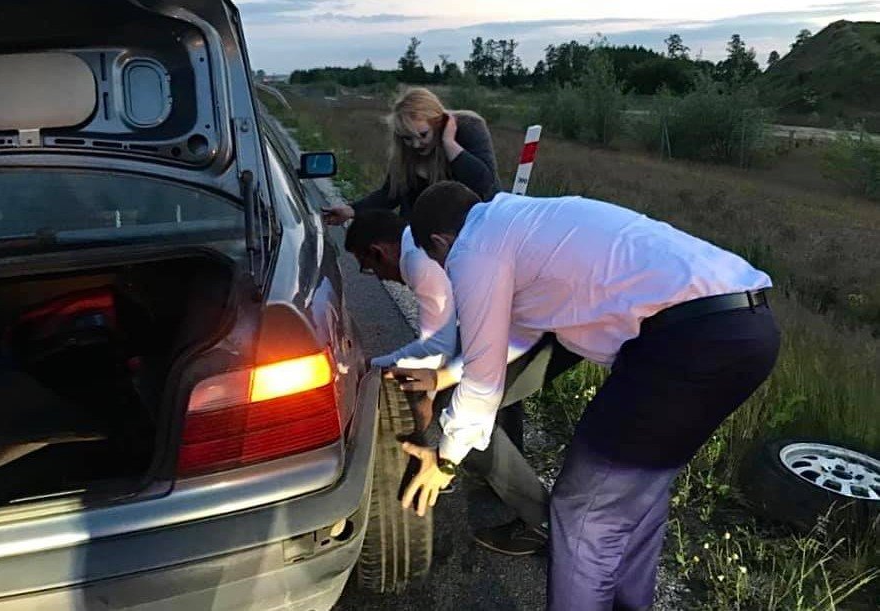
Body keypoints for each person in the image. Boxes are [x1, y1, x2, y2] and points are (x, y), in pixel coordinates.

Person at [399, 181, 780, 611]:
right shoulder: (520, 222)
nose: (449, 272)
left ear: (441, 243)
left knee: (584, 515)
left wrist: (446, 460)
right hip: (749, 328)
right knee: (637, 496)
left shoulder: (473, 248)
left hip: (685, 341)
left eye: (441, 264)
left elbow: (484, 382)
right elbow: (516, 335)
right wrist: (443, 377)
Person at [345, 210, 581, 554]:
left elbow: (437, 349)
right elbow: (453, 341)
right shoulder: (421, 245)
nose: (378, 277)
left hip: (547, 326)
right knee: (471, 403)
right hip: (534, 317)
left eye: (368, 267)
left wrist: (378, 369)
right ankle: (496, 474)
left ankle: (543, 524)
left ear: (378, 251)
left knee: (460, 412)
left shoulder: (417, 261)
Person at [322, 87, 500, 225]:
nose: (415, 144)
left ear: (438, 123)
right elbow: (391, 194)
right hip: (428, 232)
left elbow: (484, 183)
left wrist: (449, 144)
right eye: (408, 138)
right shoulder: (404, 149)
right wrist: (351, 210)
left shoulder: (469, 127)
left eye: (423, 135)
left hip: (477, 225)